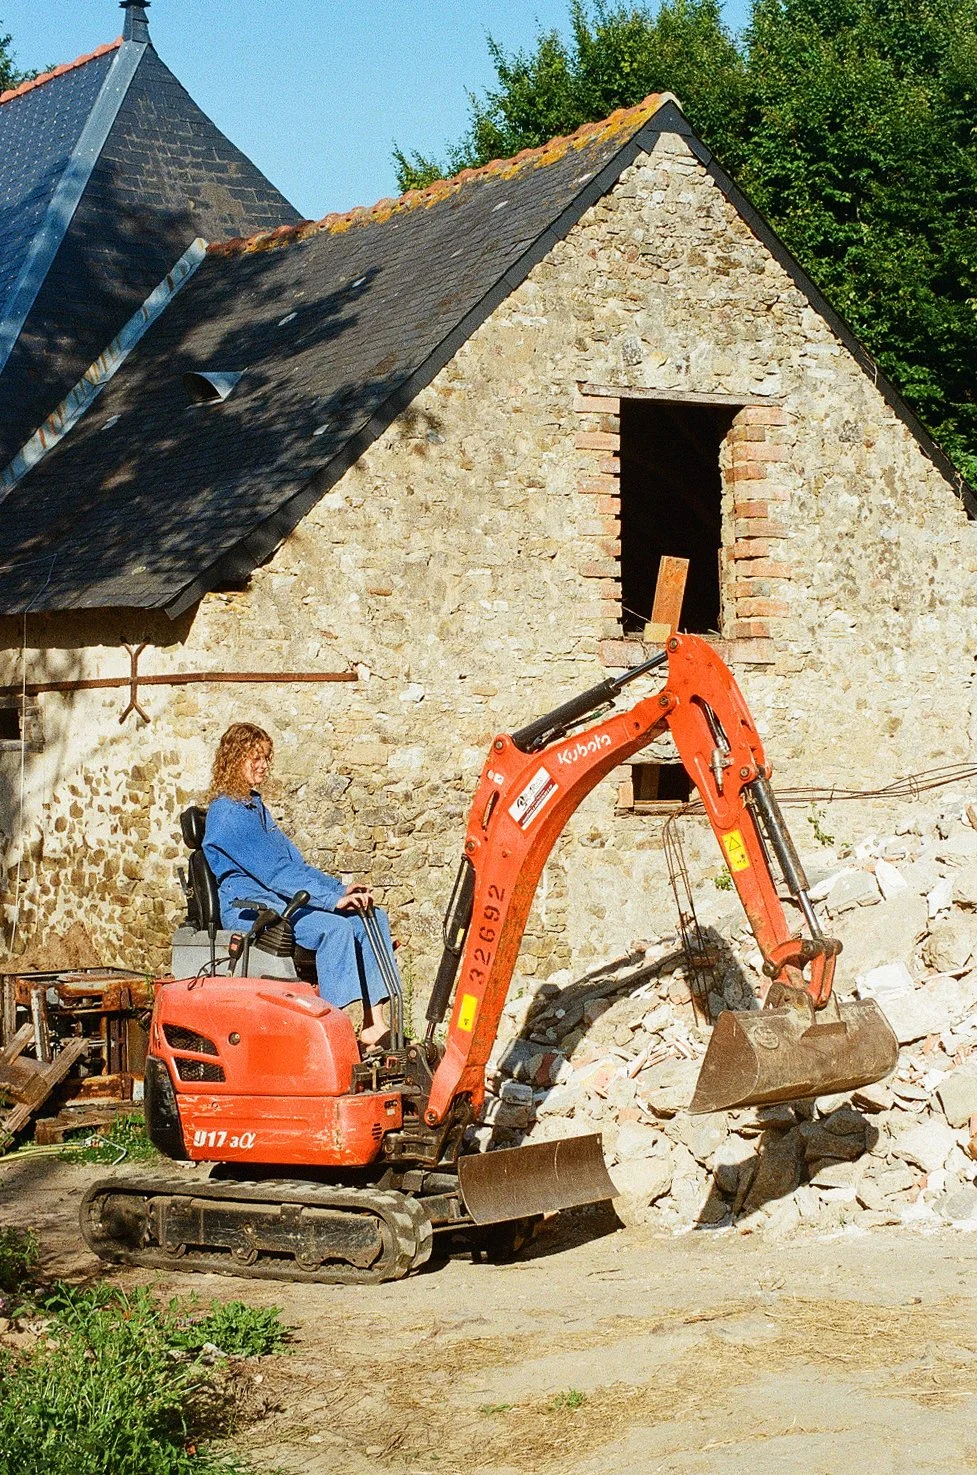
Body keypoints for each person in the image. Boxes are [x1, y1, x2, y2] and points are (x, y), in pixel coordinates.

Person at [202, 722, 393, 1044]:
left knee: (372, 917)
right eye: (255, 758)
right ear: (234, 760)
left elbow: (293, 866)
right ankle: (334, 1031)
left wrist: (340, 889)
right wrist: (331, 901)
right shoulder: (227, 814)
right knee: (336, 928)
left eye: (266, 758)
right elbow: (275, 872)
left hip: (281, 897)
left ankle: (377, 1024)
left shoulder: (254, 808)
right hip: (253, 907)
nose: (263, 765)